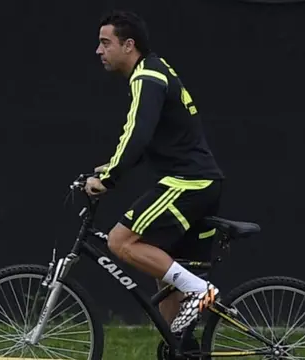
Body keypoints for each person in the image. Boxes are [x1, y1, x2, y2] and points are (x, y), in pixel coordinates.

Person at [85, 9, 225, 334]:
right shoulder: (156, 71)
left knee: (120, 242)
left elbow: (136, 134)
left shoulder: (147, 77)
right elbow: (152, 138)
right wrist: (113, 163)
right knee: (166, 279)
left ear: (128, 45)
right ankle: (183, 349)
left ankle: (201, 291)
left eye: (105, 43)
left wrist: (108, 179)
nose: (99, 51)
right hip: (201, 182)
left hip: (189, 183)